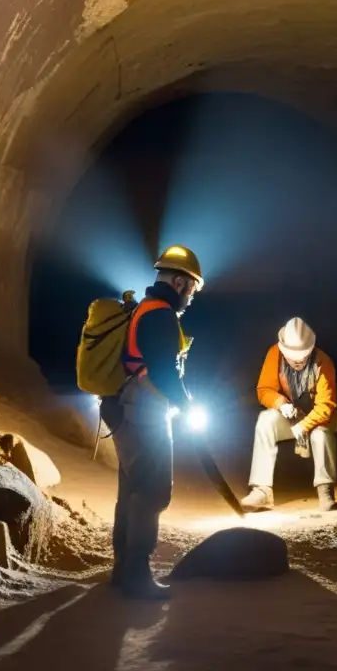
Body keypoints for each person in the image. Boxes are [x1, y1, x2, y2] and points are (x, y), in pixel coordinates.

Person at [103, 244, 203, 599]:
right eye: (191, 287)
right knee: (154, 490)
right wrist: (186, 404)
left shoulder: (143, 308)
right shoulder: (160, 315)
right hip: (145, 413)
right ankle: (137, 575)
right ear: (178, 282)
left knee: (131, 490)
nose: (191, 296)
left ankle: (123, 569)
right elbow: (161, 370)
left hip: (126, 408)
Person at [240, 317, 337, 513]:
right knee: (266, 420)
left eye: (302, 357)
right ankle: (262, 490)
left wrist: (303, 427)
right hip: (294, 413)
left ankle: (325, 490)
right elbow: (264, 389)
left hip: (321, 417)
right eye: (292, 357)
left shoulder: (323, 363)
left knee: (320, 435)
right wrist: (281, 404)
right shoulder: (275, 354)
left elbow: (325, 406)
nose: (297, 362)